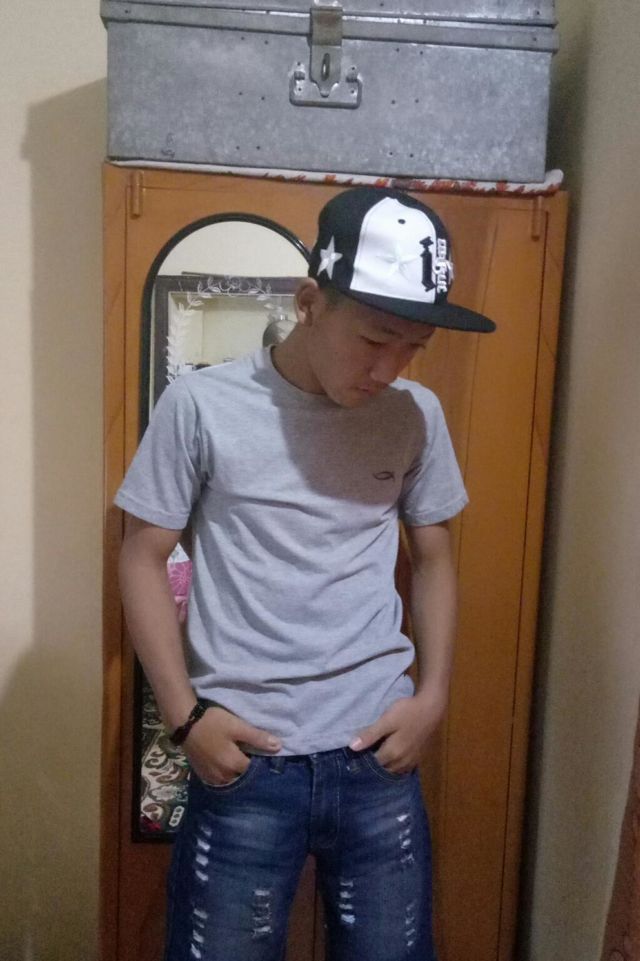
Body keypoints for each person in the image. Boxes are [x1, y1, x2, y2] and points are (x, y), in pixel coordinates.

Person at [115, 186, 496, 961]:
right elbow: (141, 555)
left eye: (413, 347)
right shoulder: (201, 405)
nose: (389, 368)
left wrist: (433, 697)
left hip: (378, 758)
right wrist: (185, 718)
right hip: (246, 763)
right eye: (374, 339)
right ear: (310, 302)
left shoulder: (415, 414)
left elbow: (434, 556)